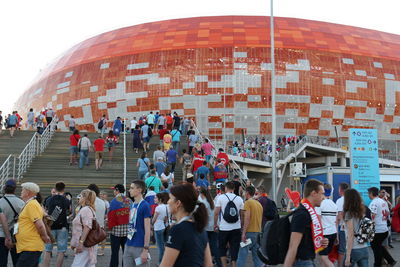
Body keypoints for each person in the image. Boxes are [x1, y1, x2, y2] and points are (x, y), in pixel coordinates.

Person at [160, 183, 213, 267]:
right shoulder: (200, 228)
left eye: (170, 198)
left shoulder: (177, 230)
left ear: (178, 203)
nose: (168, 202)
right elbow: (209, 264)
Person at [283, 179, 328, 267]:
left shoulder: (308, 211)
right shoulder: (302, 214)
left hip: (307, 260)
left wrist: (320, 241)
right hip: (302, 262)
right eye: (322, 193)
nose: (324, 197)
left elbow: (304, 238)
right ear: (314, 193)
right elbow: (293, 246)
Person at [16, 182, 51, 267]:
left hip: (30, 247)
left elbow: (39, 224)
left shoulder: (32, 205)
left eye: (22, 190)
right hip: (28, 246)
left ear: (28, 192)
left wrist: (44, 236)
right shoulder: (30, 204)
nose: (21, 192)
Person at [214, 181, 244, 267]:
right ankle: (234, 265)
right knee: (234, 248)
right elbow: (242, 214)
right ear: (234, 189)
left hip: (224, 228)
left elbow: (216, 213)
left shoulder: (221, 198)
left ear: (226, 188)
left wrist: (215, 224)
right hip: (236, 228)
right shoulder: (239, 199)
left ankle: (224, 265)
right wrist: (241, 225)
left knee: (222, 248)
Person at [124, 180, 152, 267]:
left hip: (140, 246)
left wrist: (145, 249)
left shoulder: (145, 205)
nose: (129, 190)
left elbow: (148, 229)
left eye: (132, 188)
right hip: (128, 244)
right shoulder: (132, 205)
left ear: (139, 190)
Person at [43, 182, 71, 267]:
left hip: (50, 226)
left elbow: (45, 210)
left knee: (47, 250)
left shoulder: (49, 199)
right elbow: (69, 210)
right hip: (62, 227)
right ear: (64, 189)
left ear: (55, 188)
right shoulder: (66, 200)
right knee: (61, 251)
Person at [368, 187, 396, 267]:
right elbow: (387, 213)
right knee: (379, 246)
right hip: (384, 229)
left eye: (368, 193)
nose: (368, 195)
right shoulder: (383, 202)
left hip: (377, 230)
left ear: (371, 193)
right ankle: (391, 261)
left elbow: (372, 216)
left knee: (376, 249)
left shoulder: (374, 203)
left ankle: (377, 264)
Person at [0, 179, 25, 267]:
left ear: (4, 188)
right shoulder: (21, 203)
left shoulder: (0, 202)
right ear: (15, 189)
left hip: (1, 235)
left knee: (1, 262)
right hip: (16, 235)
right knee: (17, 262)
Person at [237, 186, 263, 267]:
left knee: (242, 254)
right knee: (256, 257)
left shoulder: (248, 203)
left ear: (247, 193)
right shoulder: (259, 204)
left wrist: (243, 233)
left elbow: (247, 218)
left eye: (245, 192)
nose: (244, 194)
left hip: (249, 234)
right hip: (258, 233)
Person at [70, 189, 97, 267]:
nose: (79, 198)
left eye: (80, 196)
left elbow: (87, 227)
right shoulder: (87, 209)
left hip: (85, 244)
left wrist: (81, 243)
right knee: (89, 265)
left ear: (85, 198)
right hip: (87, 243)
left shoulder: (86, 210)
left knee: (76, 265)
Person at [343, 189, 369, 267]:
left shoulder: (348, 214)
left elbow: (350, 235)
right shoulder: (362, 211)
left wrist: (348, 257)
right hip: (364, 248)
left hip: (353, 249)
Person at [108, 184, 132, 267]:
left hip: (116, 232)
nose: (113, 191)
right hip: (127, 232)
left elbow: (110, 217)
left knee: (114, 253)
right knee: (126, 253)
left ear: (117, 190)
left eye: (114, 190)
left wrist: (109, 228)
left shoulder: (114, 201)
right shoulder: (129, 201)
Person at [198, 187, 222, 267]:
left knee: (205, 246)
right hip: (214, 226)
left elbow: (204, 216)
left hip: (207, 227)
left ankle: (205, 263)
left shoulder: (204, 203)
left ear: (202, 194)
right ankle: (218, 263)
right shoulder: (211, 201)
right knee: (214, 246)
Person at [315, 183, 337, 267]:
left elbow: (318, 220)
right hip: (333, 232)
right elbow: (336, 222)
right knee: (325, 257)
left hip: (324, 233)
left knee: (323, 257)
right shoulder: (334, 204)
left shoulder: (320, 204)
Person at [152, 193, 169, 264]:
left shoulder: (158, 208)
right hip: (166, 226)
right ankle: (166, 261)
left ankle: (161, 263)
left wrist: (150, 224)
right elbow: (167, 217)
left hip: (158, 227)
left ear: (160, 199)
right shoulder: (167, 206)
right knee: (165, 245)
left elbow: (154, 219)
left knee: (160, 247)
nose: (154, 199)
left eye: (155, 198)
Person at [336, 182, 349, 267]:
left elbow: (339, 216)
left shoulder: (340, 200)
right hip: (352, 228)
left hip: (343, 228)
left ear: (341, 190)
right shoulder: (352, 199)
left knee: (342, 250)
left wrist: (336, 232)